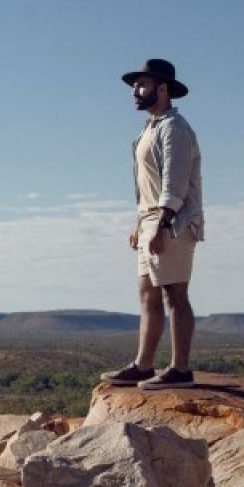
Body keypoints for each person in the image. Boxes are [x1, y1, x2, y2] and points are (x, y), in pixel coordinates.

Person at [101, 58, 204, 390]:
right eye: (134, 85)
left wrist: (162, 225)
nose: (135, 91)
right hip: (150, 220)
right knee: (148, 293)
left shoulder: (175, 128)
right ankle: (143, 366)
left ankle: (180, 369)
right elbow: (147, 185)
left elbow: (175, 182)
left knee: (175, 294)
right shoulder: (149, 129)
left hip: (172, 221)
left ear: (162, 89)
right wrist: (140, 223)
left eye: (142, 85)